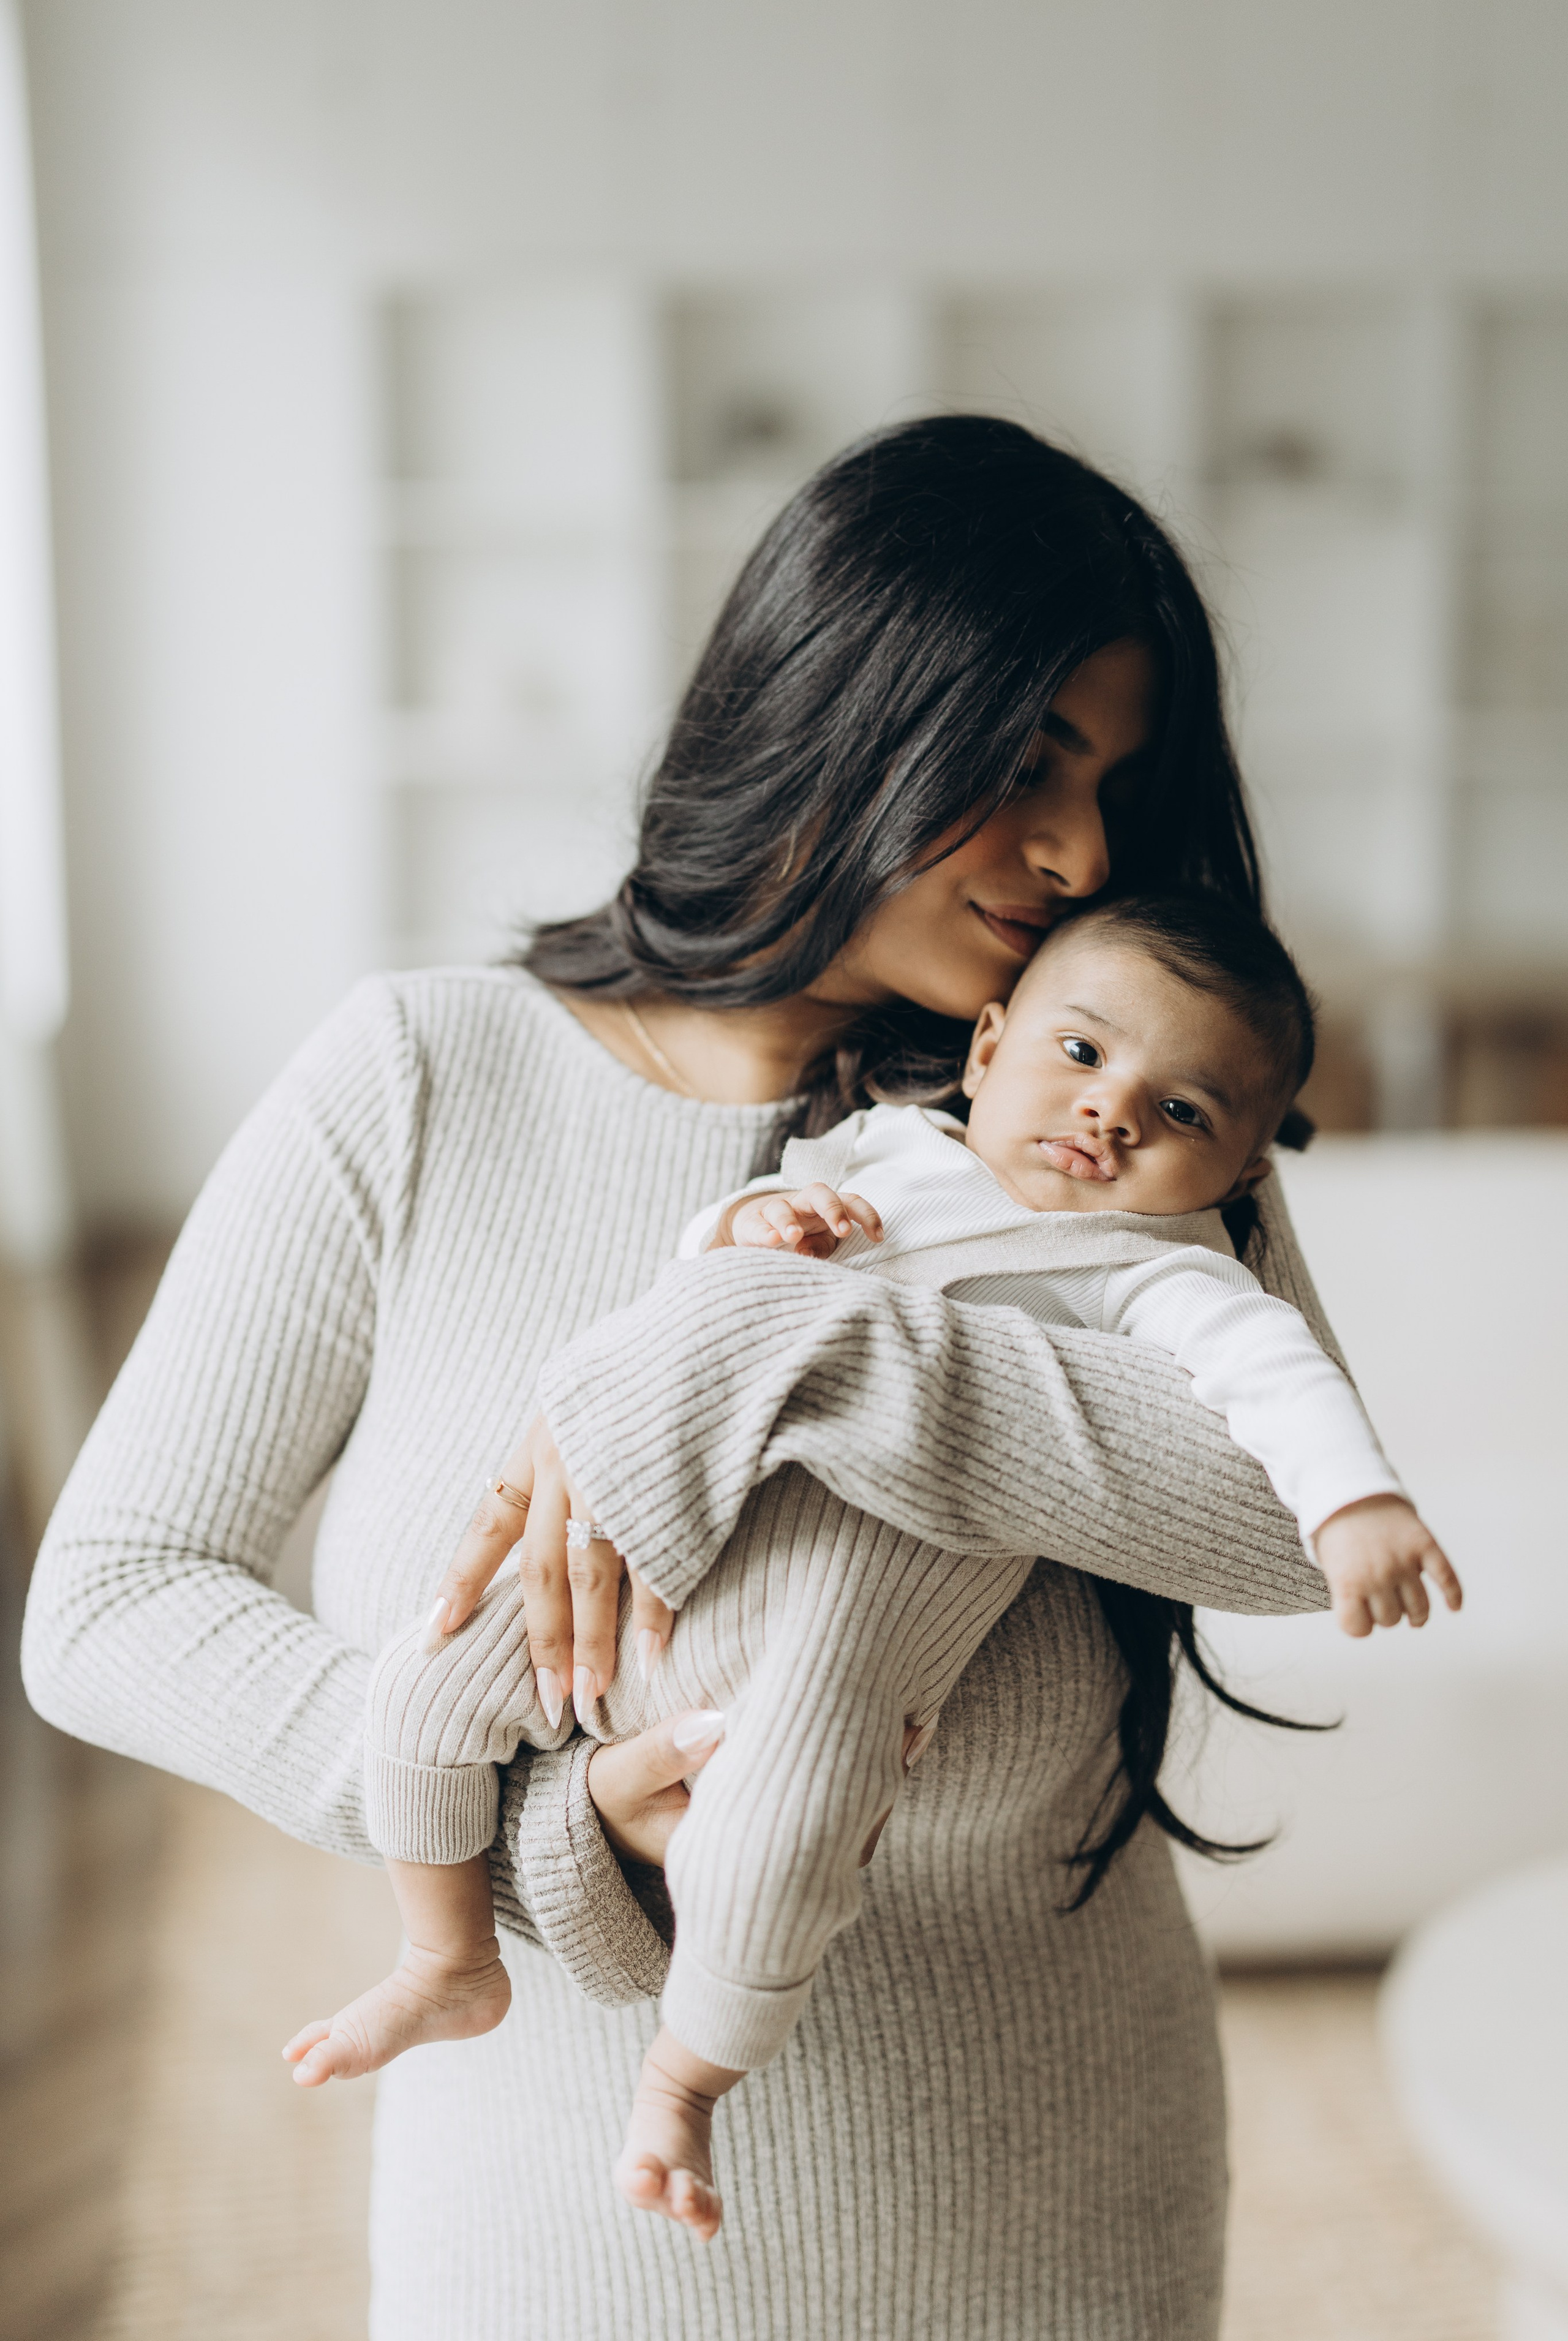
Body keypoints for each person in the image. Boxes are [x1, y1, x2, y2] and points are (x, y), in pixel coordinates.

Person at [23, 416, 1382, 2339]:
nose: (1078, 850)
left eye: (1118, 787)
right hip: (550, 2236)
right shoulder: (421, 1077)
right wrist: (528, 1826)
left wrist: (773, 1348)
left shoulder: (1090, 1111)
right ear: (839, 710)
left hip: (1050, 2200)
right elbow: (108, 1603)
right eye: (1020, 763)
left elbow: (1277, 1512)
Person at [280, 889, 1460, 2246]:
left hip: (842, 1628)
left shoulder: (1150, 1269)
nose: (1111, 1115)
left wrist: (1354, 1499)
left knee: (778, 1842)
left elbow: (1272, 1383)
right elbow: (716, 1250)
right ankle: (442, 1957)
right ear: (986, 1051)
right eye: (1080, 1058)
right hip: (665, 1540)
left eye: (1182, 1113)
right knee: (422, 1689)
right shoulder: (883, 1152)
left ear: (1243, 1171)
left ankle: (685, 2081)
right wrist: (754, 1234)